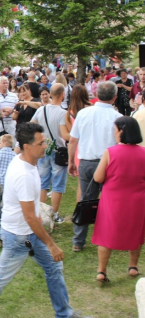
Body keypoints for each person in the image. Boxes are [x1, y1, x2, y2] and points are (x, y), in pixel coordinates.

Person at [0, 123, 80, 318]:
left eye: (44, 141)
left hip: (28, 232)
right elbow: (29, 216)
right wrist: (52, 244)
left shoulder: (25, 161)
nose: (45, 145)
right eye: (41, 143)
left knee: (54, 267)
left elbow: (32, 215)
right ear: (27, 147)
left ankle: (65, 314)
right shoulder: (23, 174)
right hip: (18, 236)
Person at [68, 81, 121, 252]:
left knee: (85, 200)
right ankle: (109, 237)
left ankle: (78, 241)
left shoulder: (84, 113)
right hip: (109, 163)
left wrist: (71, 161)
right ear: (114, 97)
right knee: (110, 202)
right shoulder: (116, 117)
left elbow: (73, 139)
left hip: (88, 162)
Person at [91, 117, 145, 283]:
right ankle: (133, 266)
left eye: (115, 129)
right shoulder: (143, 153)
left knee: (106, 233)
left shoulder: (110, 152)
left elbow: (98, 177)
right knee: (136, 232)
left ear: (122, 131)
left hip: (112, 199)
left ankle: (102, 271)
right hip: (137, 199)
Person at [31, 84, 70, 223]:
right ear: (62, 95)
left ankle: (42, 213)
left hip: (44, 149)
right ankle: (53, 214)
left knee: (43, 183)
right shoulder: (62, 113)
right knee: (58, 184)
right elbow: (65, 135)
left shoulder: (41, 110)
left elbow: (32, 125)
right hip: (58, 150)